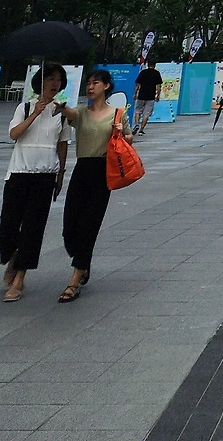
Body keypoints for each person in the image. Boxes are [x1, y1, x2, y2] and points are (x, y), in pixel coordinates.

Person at [54, 68, 129, 302]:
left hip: (103, 171)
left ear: (106, 86)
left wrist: (121, 134)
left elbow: (129, 139)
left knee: (90, 224)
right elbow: (69, 113)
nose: (90, 86)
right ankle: (82, 260)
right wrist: (59, 105)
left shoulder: (117, 114)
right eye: (88, 83)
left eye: (95, 83)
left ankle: (75, 278)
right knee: (70, 227)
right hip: (82, 169)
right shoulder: (81, 113)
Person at [0, 63, 70, 302]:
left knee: (33, 228)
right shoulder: (25, 107)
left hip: (45, 175)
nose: (54, 83)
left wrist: (60, 174)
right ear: (40, 82)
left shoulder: (61, 112)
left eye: (58, 79)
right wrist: (35, 114)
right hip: (19, 172)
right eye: (50, 78)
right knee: (9, 226)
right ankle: (13, 257)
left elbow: (62, 144)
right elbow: (14, 134)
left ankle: (19, 278)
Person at [131, 58, 163, 136]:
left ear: (148, 65)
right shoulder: (156, 73)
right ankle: (141, 130)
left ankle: (136, 124)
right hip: (151, 96)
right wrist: (158, 95)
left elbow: (137, 85)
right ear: (155, 65)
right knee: (146, 113)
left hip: (141, 95)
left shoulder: (143, 72)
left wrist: (135, 94)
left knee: (138, 111)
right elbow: (158, 86)